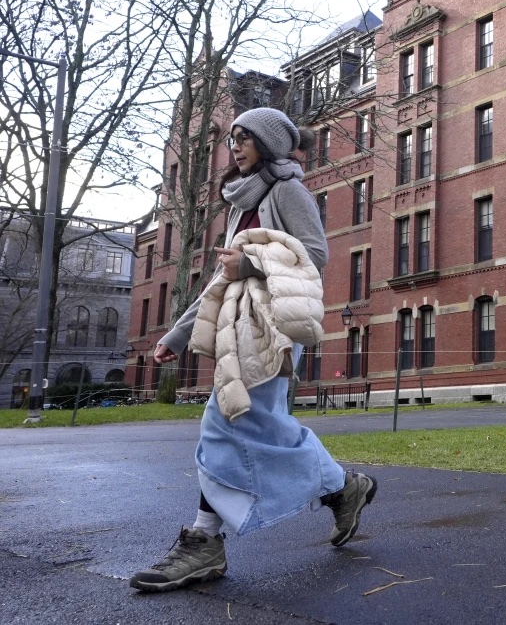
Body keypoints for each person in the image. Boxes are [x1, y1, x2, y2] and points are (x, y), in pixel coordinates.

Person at [130, 108, 377, 593]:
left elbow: (317, 254)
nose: (235, 146)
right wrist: (176, 335)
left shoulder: (287, 190)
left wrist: (253, 263)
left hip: (273, 327)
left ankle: (204, 541)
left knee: (224, 419)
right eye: (234, 138)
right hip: (236, 327)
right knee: (262, 427)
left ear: (268, 145)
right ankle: (343, 487)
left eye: (245, 138)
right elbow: (225, 276)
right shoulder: (241, 201)